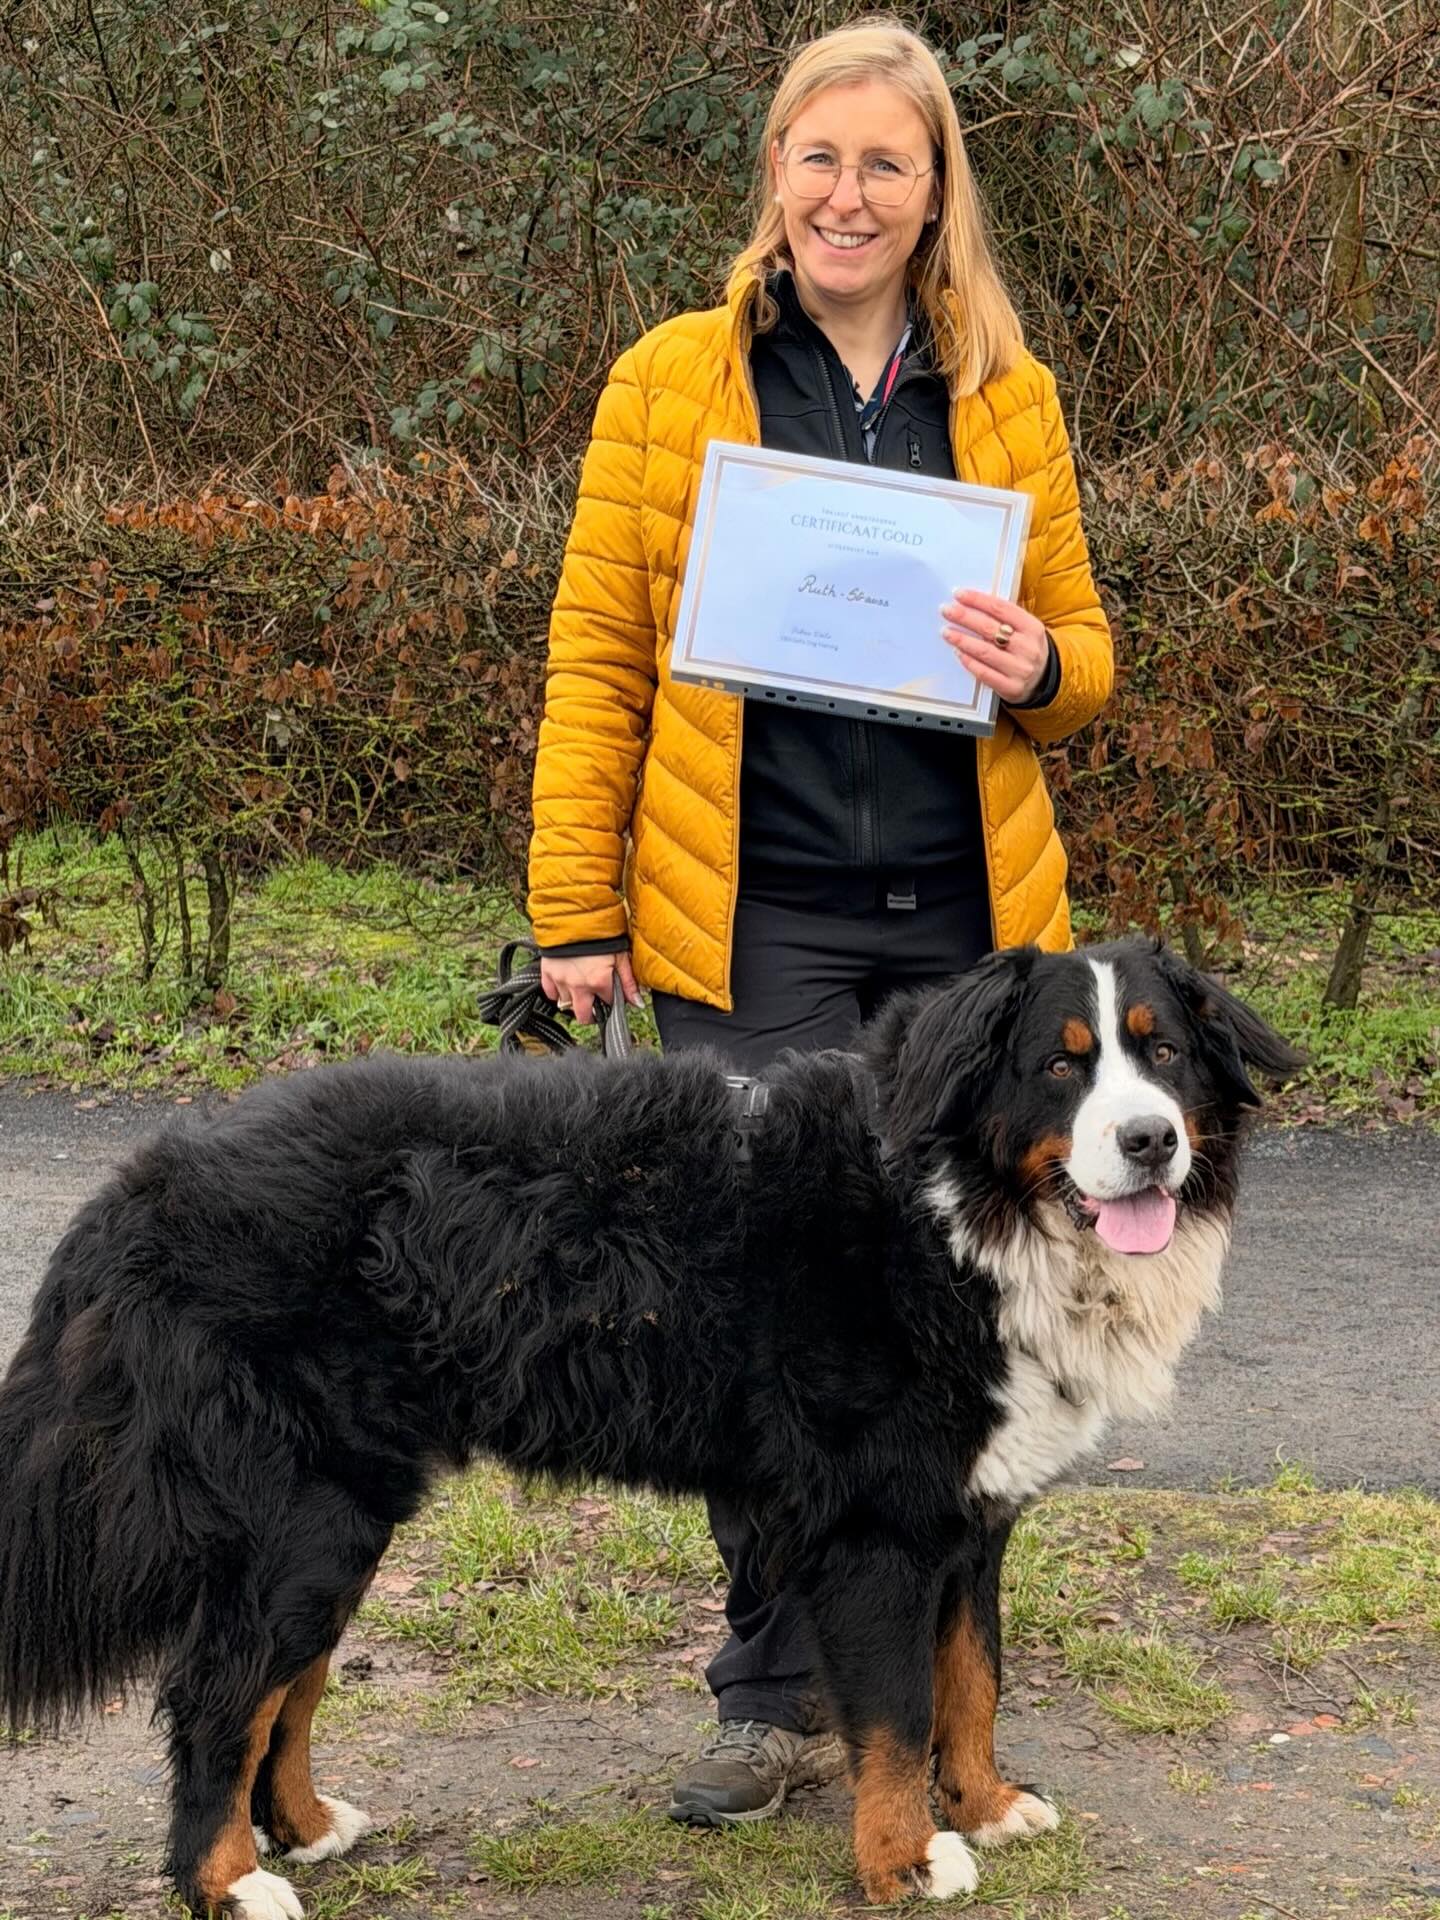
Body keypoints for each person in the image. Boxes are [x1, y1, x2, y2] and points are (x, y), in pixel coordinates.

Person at [526, 16, 1112, 1829]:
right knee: (767, 1301)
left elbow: (1082, 657)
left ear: (938, 193)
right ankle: (777, 1687)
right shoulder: (672, 379)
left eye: (887, 164)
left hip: (962, 923)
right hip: (746, 908)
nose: (848, 193)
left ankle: (945, 1685)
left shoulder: (1006, 392)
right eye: (820, 158)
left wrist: (1041, 670)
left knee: (956, 1313)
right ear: (775, 175)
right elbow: (601, 651)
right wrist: (572, 907)